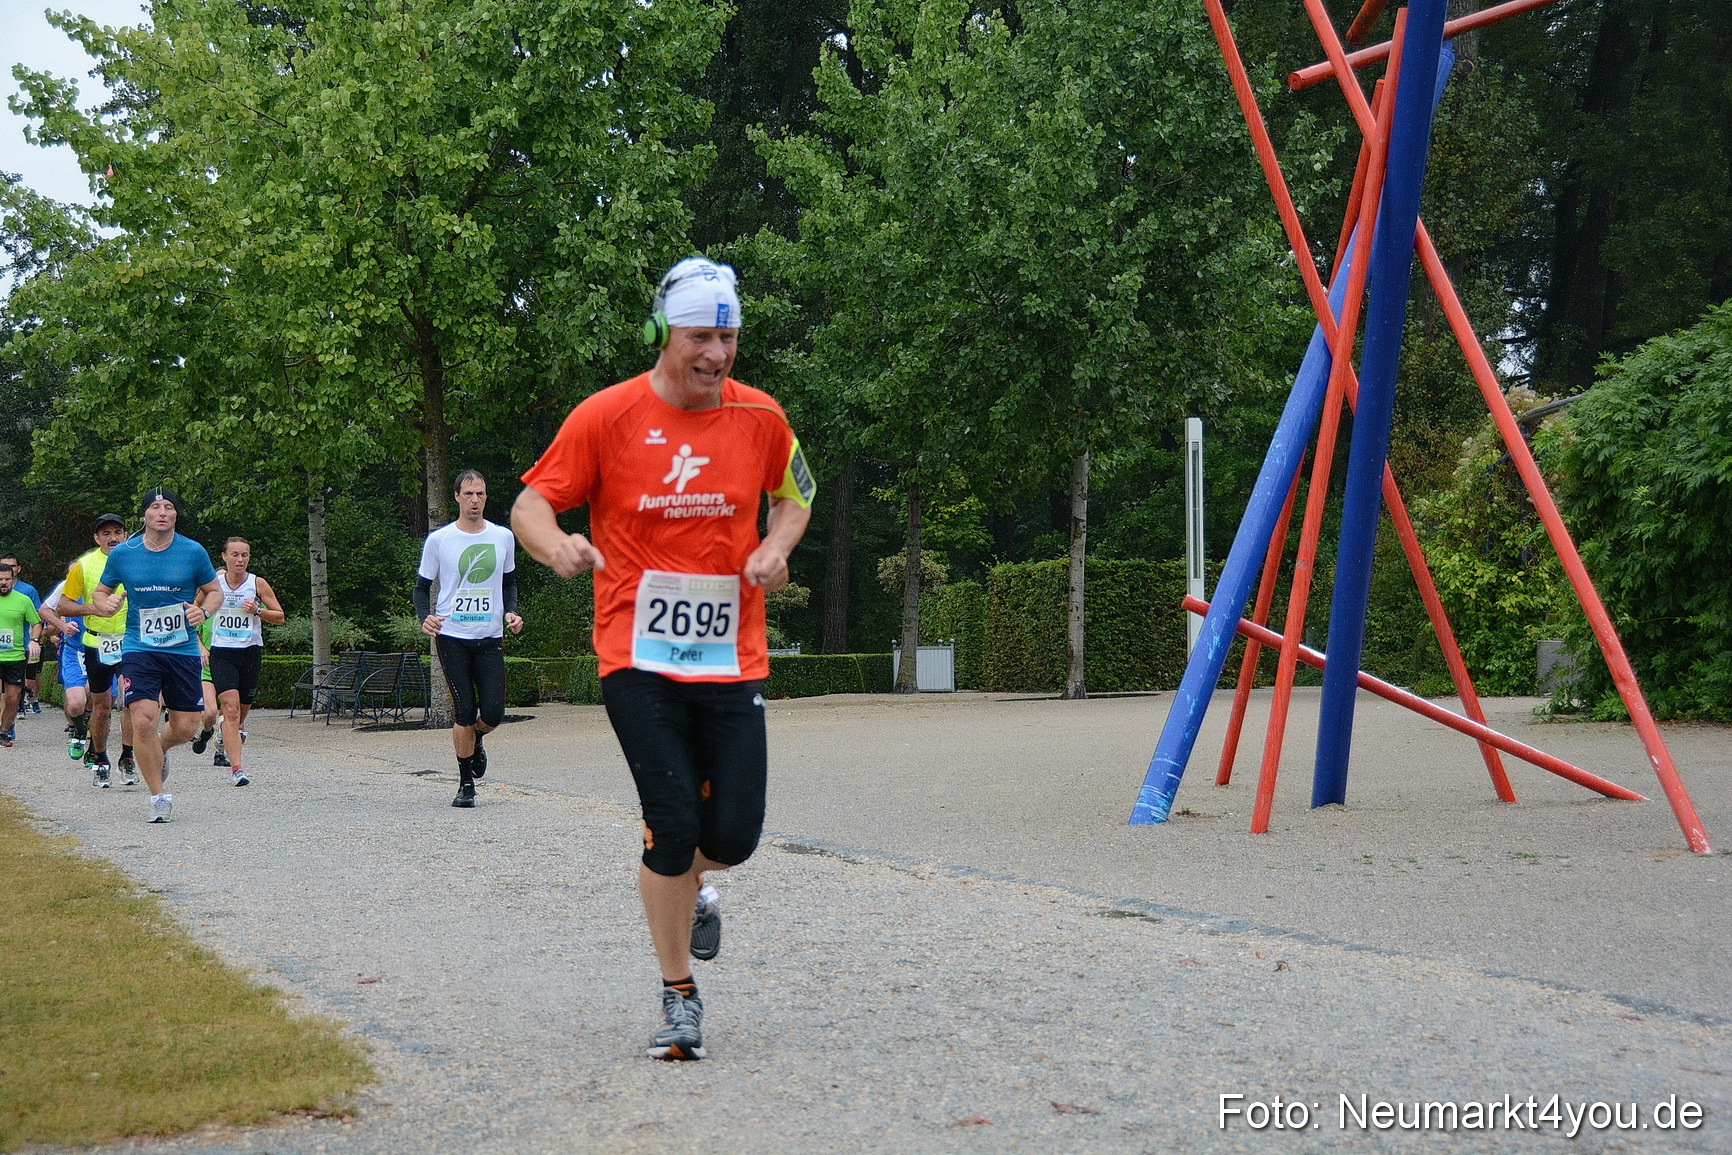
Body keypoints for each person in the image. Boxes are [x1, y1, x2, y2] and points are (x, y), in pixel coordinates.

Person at [512, 256, 815, 1061]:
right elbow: (530, 503)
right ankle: (679, 994)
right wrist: (556, 548)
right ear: (661, 334)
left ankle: (687, 885)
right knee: (673, 821)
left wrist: (777, 548)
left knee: (737, 832)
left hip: (732, 653)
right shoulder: (607, 416)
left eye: (729, 335)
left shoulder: (761, 417)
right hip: (635, 650)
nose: (718, 353)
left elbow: (797, 494)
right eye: (701, 336)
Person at [89, 489, 219, 823]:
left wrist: (202, 613)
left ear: (175, 516)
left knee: (187, 727)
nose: (162, 512)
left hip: (182, 649)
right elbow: (101, 591)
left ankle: (157, 749)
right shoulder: (124, 553)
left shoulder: (193, 551)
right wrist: (104, 603)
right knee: (143, 717)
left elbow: (215, 592)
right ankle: (158, 797)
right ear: (144, 515)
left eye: (169, 507)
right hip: (138, 647)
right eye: (155, 507)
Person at [415, 470, 523, 808]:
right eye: (469, 494)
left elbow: (508, 584)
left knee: (493, 712)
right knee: (464, 710)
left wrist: (512, 612)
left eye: (481, 494)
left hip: (489, 636)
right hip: (452, 637)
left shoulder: (502, 537)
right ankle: (465, 784)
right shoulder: (440, 540)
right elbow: (421, 588)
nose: (475, 500)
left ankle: (475, 739)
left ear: (485, 497)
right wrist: (425, 618)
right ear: (458, 497)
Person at [195, 537, 284, 786]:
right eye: (234, 555)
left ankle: (227, 731)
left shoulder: (257, 583)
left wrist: (258, 611)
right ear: (224, 557)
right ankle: (237, 769)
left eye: (244, 555)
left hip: (250, 653)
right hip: (222, 653)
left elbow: (280, 616)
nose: (240, 560)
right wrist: (198, 642)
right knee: (231, 710)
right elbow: (192, 612)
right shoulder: (213, 585)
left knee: (241, 714)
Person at [56, 514, 136, 786]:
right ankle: (100, 758)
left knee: (132, 702)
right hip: (97, 643)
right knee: (102, 707)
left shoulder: (139, 560)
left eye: (117, 531)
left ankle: (128, 756)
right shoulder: (84, 565)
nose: (113, 537)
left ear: (125, 534)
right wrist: (94, 608)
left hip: (132, 642)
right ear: (96, 538)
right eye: (106, 533)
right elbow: (63, 607)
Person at [37, 578, 90, 758]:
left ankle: (97, 752)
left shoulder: (114, 581)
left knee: (101, 701)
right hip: (75, 650)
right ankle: (80, 729)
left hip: (105, 651)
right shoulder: (67, 586)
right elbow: (44, 610)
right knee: (75, 704)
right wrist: (62, 626)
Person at [0, 561, 43, 747]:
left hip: (16, 656)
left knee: (13, 698)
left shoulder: (23, 600)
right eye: (0, 579)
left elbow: (37, 623)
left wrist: (33, 640)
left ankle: (4, 731)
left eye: (7, 579)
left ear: (13, 579)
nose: (3, 583)